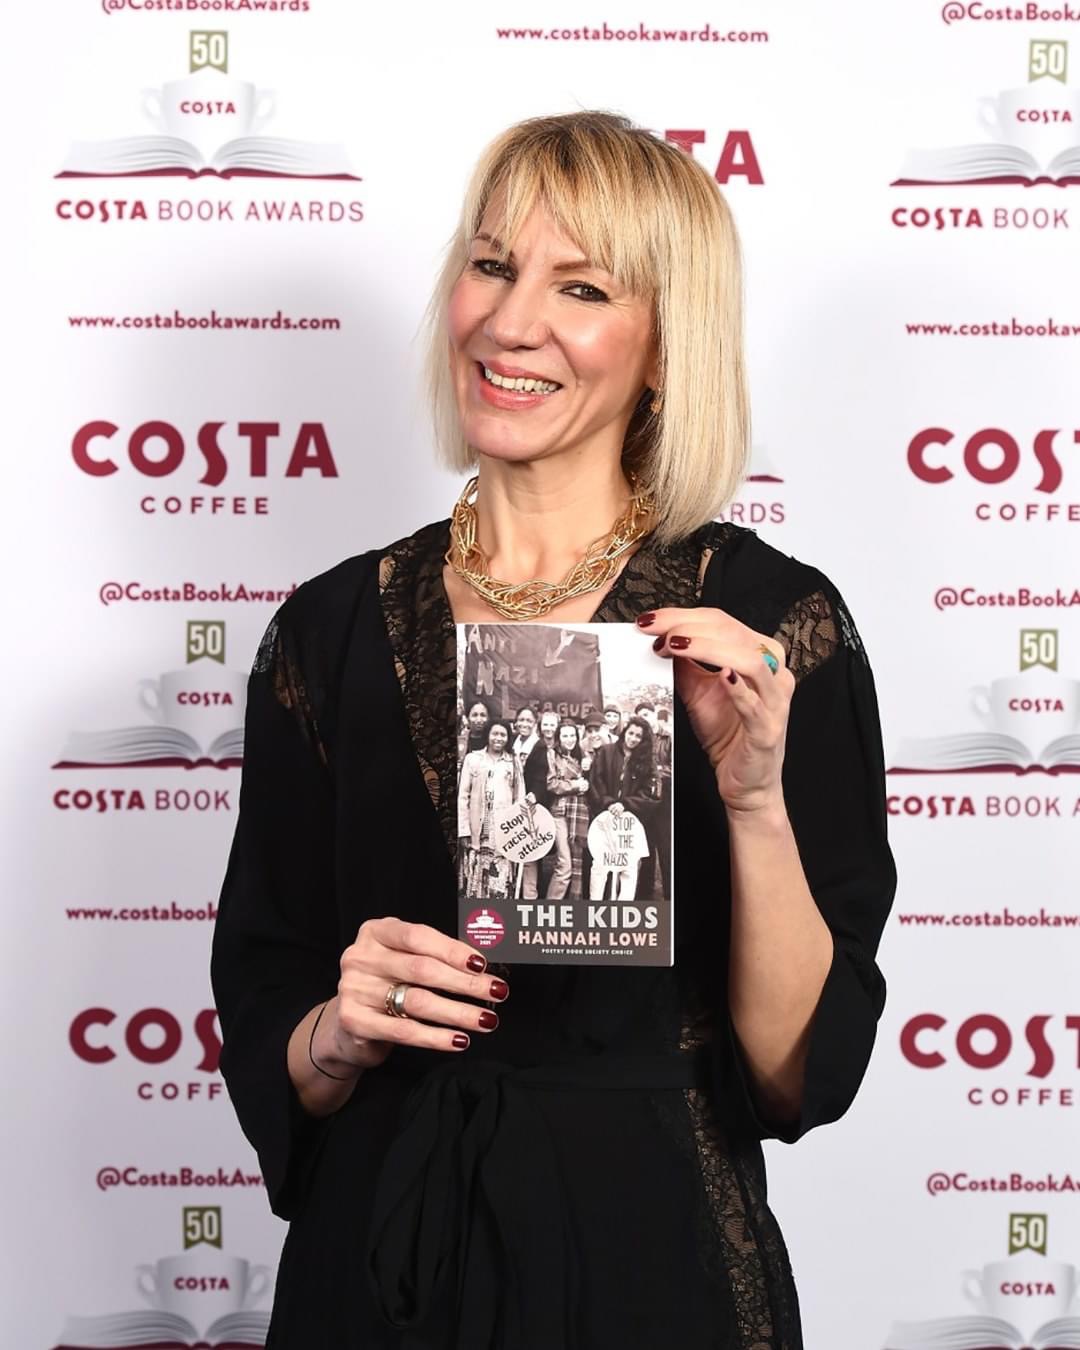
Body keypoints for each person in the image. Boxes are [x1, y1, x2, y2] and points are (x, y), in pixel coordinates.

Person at [211, 110, 895, 1350]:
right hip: (384, 1258)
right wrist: (335, 1032)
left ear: (667, 346)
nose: (511, 322)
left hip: (656, 1262)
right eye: (492, 265)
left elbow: (800, 1075)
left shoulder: (768, 624)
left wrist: (752, 801)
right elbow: (271, 1005)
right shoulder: (327, 632)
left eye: (581, 287)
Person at [456, 718, 524, 902]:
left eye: (503, 735)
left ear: (508, 738)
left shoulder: (513, 762)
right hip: (477, 830)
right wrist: (464, 830)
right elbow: (463, 797)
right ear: (487, 735)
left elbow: (519, 799)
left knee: (500, 880)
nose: (498, 738)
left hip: (504, 831)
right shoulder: (473, 759)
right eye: (495, 733)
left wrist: (518, 832)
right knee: (476, 879)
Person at [545, 719, 590, 900]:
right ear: (558, 737)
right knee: (565, 866)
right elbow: (551, 784)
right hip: (560, 812)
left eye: (572, 735)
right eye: (565, 736)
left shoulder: (582, 755)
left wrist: (588, 772)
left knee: (577, 862)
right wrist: (575, 785)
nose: (569, 739)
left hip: (578, 813)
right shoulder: (552, 755)